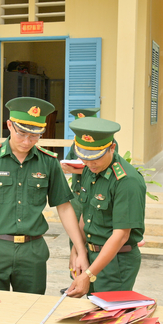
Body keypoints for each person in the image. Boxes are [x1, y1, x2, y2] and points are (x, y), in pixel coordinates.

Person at [0, 97, 88, 295]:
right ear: (10, 126)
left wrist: (80, 250)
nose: (27, 141)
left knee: (31, 311)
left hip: (33, 252)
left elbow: (64, 207)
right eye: (22, 134)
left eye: (34, 136)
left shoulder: (48, 162)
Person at [65, 117, 146, 298]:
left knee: (107, 319)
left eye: (96, 158)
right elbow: (85, 216)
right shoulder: (89, 169)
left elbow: (121, 235)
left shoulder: (127, 181)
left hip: (116, 263)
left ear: (112, 148)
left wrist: (89, 274)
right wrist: (77, 252)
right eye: (84, 157)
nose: (89, 163)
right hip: (91, 256)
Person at [60, 108, 100, 291]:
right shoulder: (76, 142)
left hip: (95, 197)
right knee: (75, 239)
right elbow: (70, 161)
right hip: (78, 194)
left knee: (91, 239)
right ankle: (74, 279)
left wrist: (78, 169)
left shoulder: (103, 140)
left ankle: (89, 280)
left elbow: (100, 166)